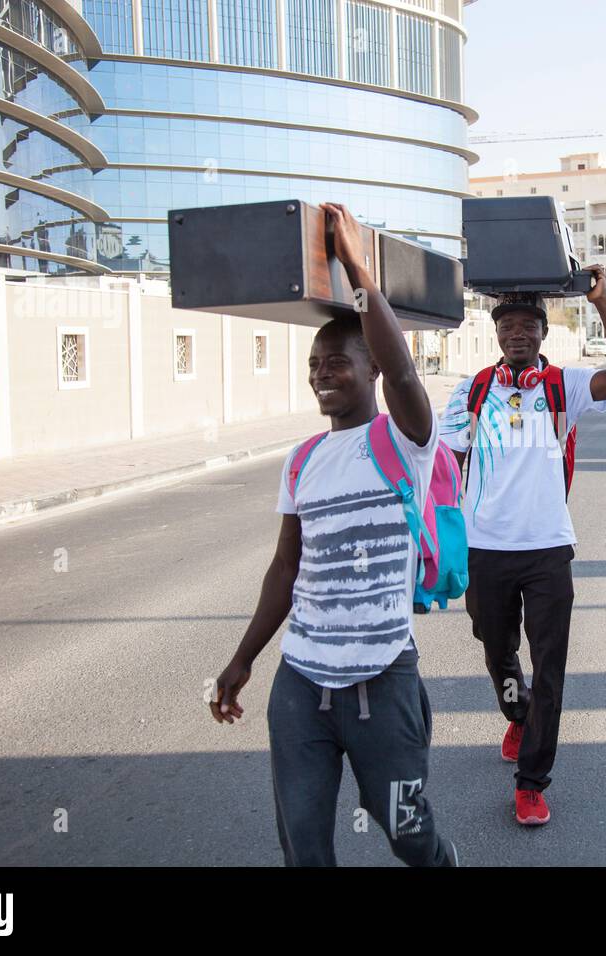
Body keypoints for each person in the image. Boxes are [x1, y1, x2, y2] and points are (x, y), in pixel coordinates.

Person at [210, 202, 455, 866]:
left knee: (408, 833)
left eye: (336, 362)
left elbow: (405, 372)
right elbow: (284, 571)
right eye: (314, 364)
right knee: (306, 844)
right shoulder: (301, 462)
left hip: (383, 680)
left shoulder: (404, 439)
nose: (320, 373)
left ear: (370, 367)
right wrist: (244, 659)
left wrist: (355, 265)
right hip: (302, 686)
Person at [439, 269, 606, 826]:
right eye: (508, 325)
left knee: (550, 665)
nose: (518, 333)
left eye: (528, 325)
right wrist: (441, 533)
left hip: (549, 547)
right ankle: (516, 710)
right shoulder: (473, 389)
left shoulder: (564, 387)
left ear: (542, 334)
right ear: (497, 334)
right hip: (486, 549)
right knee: (496, 648)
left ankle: (531, 783)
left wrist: (601, 304)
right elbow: (447, 461)